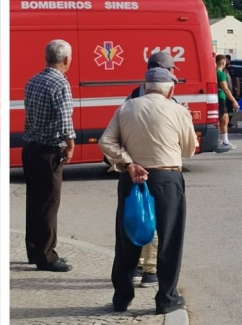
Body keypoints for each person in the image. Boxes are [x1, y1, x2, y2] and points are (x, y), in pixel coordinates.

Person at [99, 67, 198, 315]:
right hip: (167, 177)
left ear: (145, 86)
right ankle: (166, 298)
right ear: (170, 89)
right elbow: (189, 150)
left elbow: (105, 142)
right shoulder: (178, 110)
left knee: (127, 238)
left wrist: (129, 162)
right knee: (170, 239)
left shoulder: (126, 107)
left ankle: (122, 297)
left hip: (133, 178)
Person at [125, 52, 178, 288]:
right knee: (153, 220)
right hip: (158, 169)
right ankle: (150, 270)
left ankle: (137, 265)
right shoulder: (169, 101)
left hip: (133, 168)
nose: (174, 73)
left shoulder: (132, 97)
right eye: (172, 69)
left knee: (137, 217)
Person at [22, 39, 76, 273]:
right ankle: (47, 257)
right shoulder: (60, 83)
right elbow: (65, 119)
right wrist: (70, 144)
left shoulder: (32, 81)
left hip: (30, 148)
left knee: (34, 201)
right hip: (48, 152)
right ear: (66, 60)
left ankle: (34, 250)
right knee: (49, 204)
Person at [216, 54, 239, 151]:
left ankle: (222, 141)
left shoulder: (215, 72)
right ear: (223, 62)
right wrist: (234, 101)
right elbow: (225, 89)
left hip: (218, 99)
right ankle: (225, 142)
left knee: (221, 120)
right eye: (225, 61)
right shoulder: (220, 74)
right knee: (225, 119)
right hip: (220, 99)